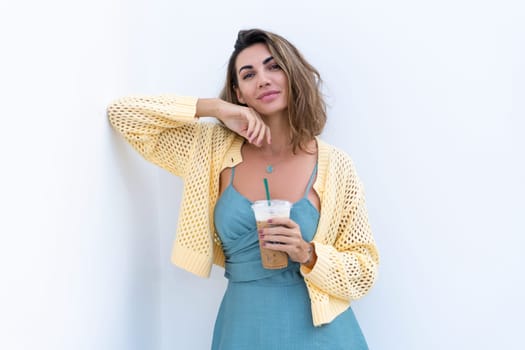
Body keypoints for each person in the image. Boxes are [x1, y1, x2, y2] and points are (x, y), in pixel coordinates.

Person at [108, 28, 379, 349]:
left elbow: (364, 270)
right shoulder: (209, 149)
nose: (263, 79)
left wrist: (308, 253)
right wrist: (216, 109)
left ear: (293, 75)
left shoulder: (336, 165)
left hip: (323, 333)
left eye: (274, 66)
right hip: (243, 326)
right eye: (248, 74)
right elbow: (124, 115)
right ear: (239, 93)